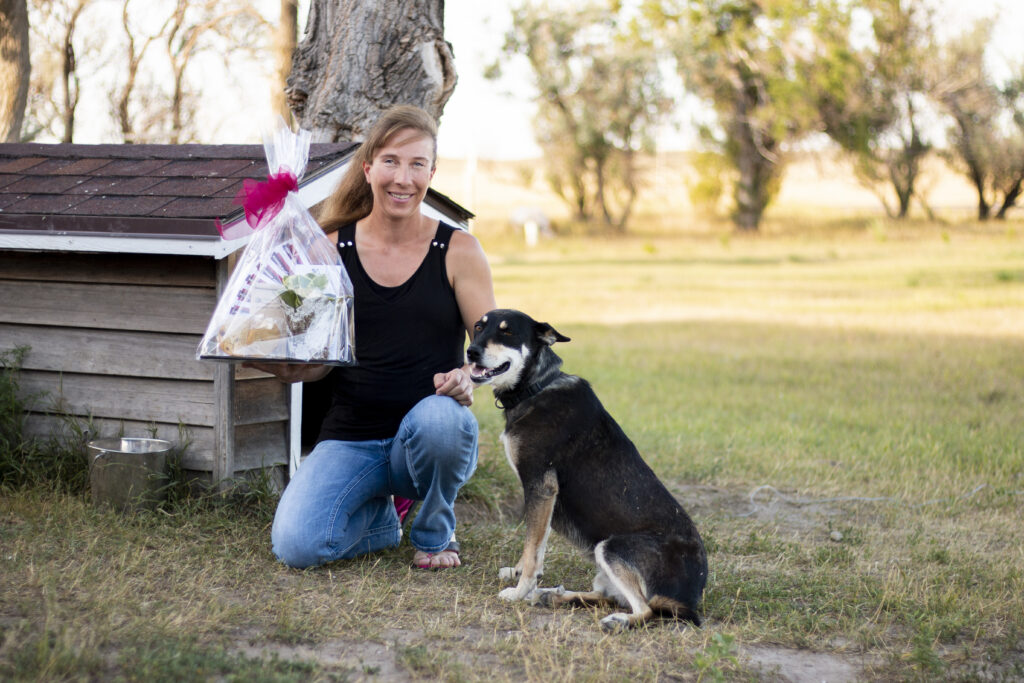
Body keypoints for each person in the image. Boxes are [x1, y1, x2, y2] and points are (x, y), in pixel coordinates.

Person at [249, 104, 496, 570]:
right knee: (296, 546)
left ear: (432, 172)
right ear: (368, 168)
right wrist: (285, 364)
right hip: (351, 437)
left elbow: (489, 353)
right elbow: (316, 362)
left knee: (443, 421)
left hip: (425, 437)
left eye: (417, 164)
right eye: (390, 162)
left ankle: (435, 531)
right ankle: (384, 521)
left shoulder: (459, 249)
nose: (403, 178)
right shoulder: (327, 247)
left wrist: (467, 377)